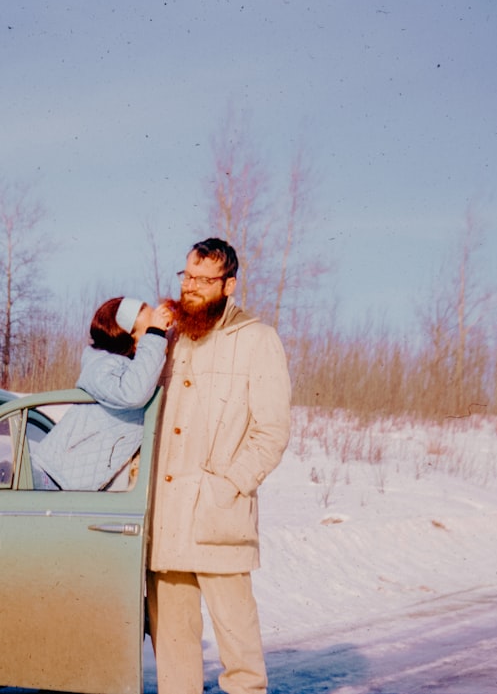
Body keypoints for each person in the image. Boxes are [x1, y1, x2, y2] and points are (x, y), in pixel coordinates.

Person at [147, 238, 292, 694]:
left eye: (203, 280)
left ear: (228, 284)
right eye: (186, 276)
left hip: (217, 518)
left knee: (240, 654)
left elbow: (272, 432)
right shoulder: (168, 338)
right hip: (166, 521)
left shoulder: (256, 339)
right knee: (173, 653)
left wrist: (227, 486)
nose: (190, 288)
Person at [31, 296, 174, 490]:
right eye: (148, 331)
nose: (159, 335)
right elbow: (133, 393)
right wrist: (156, 333)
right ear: (131, 339)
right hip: (51, 479)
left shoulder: (136, 367)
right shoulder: (100, 365)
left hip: (68, 483)